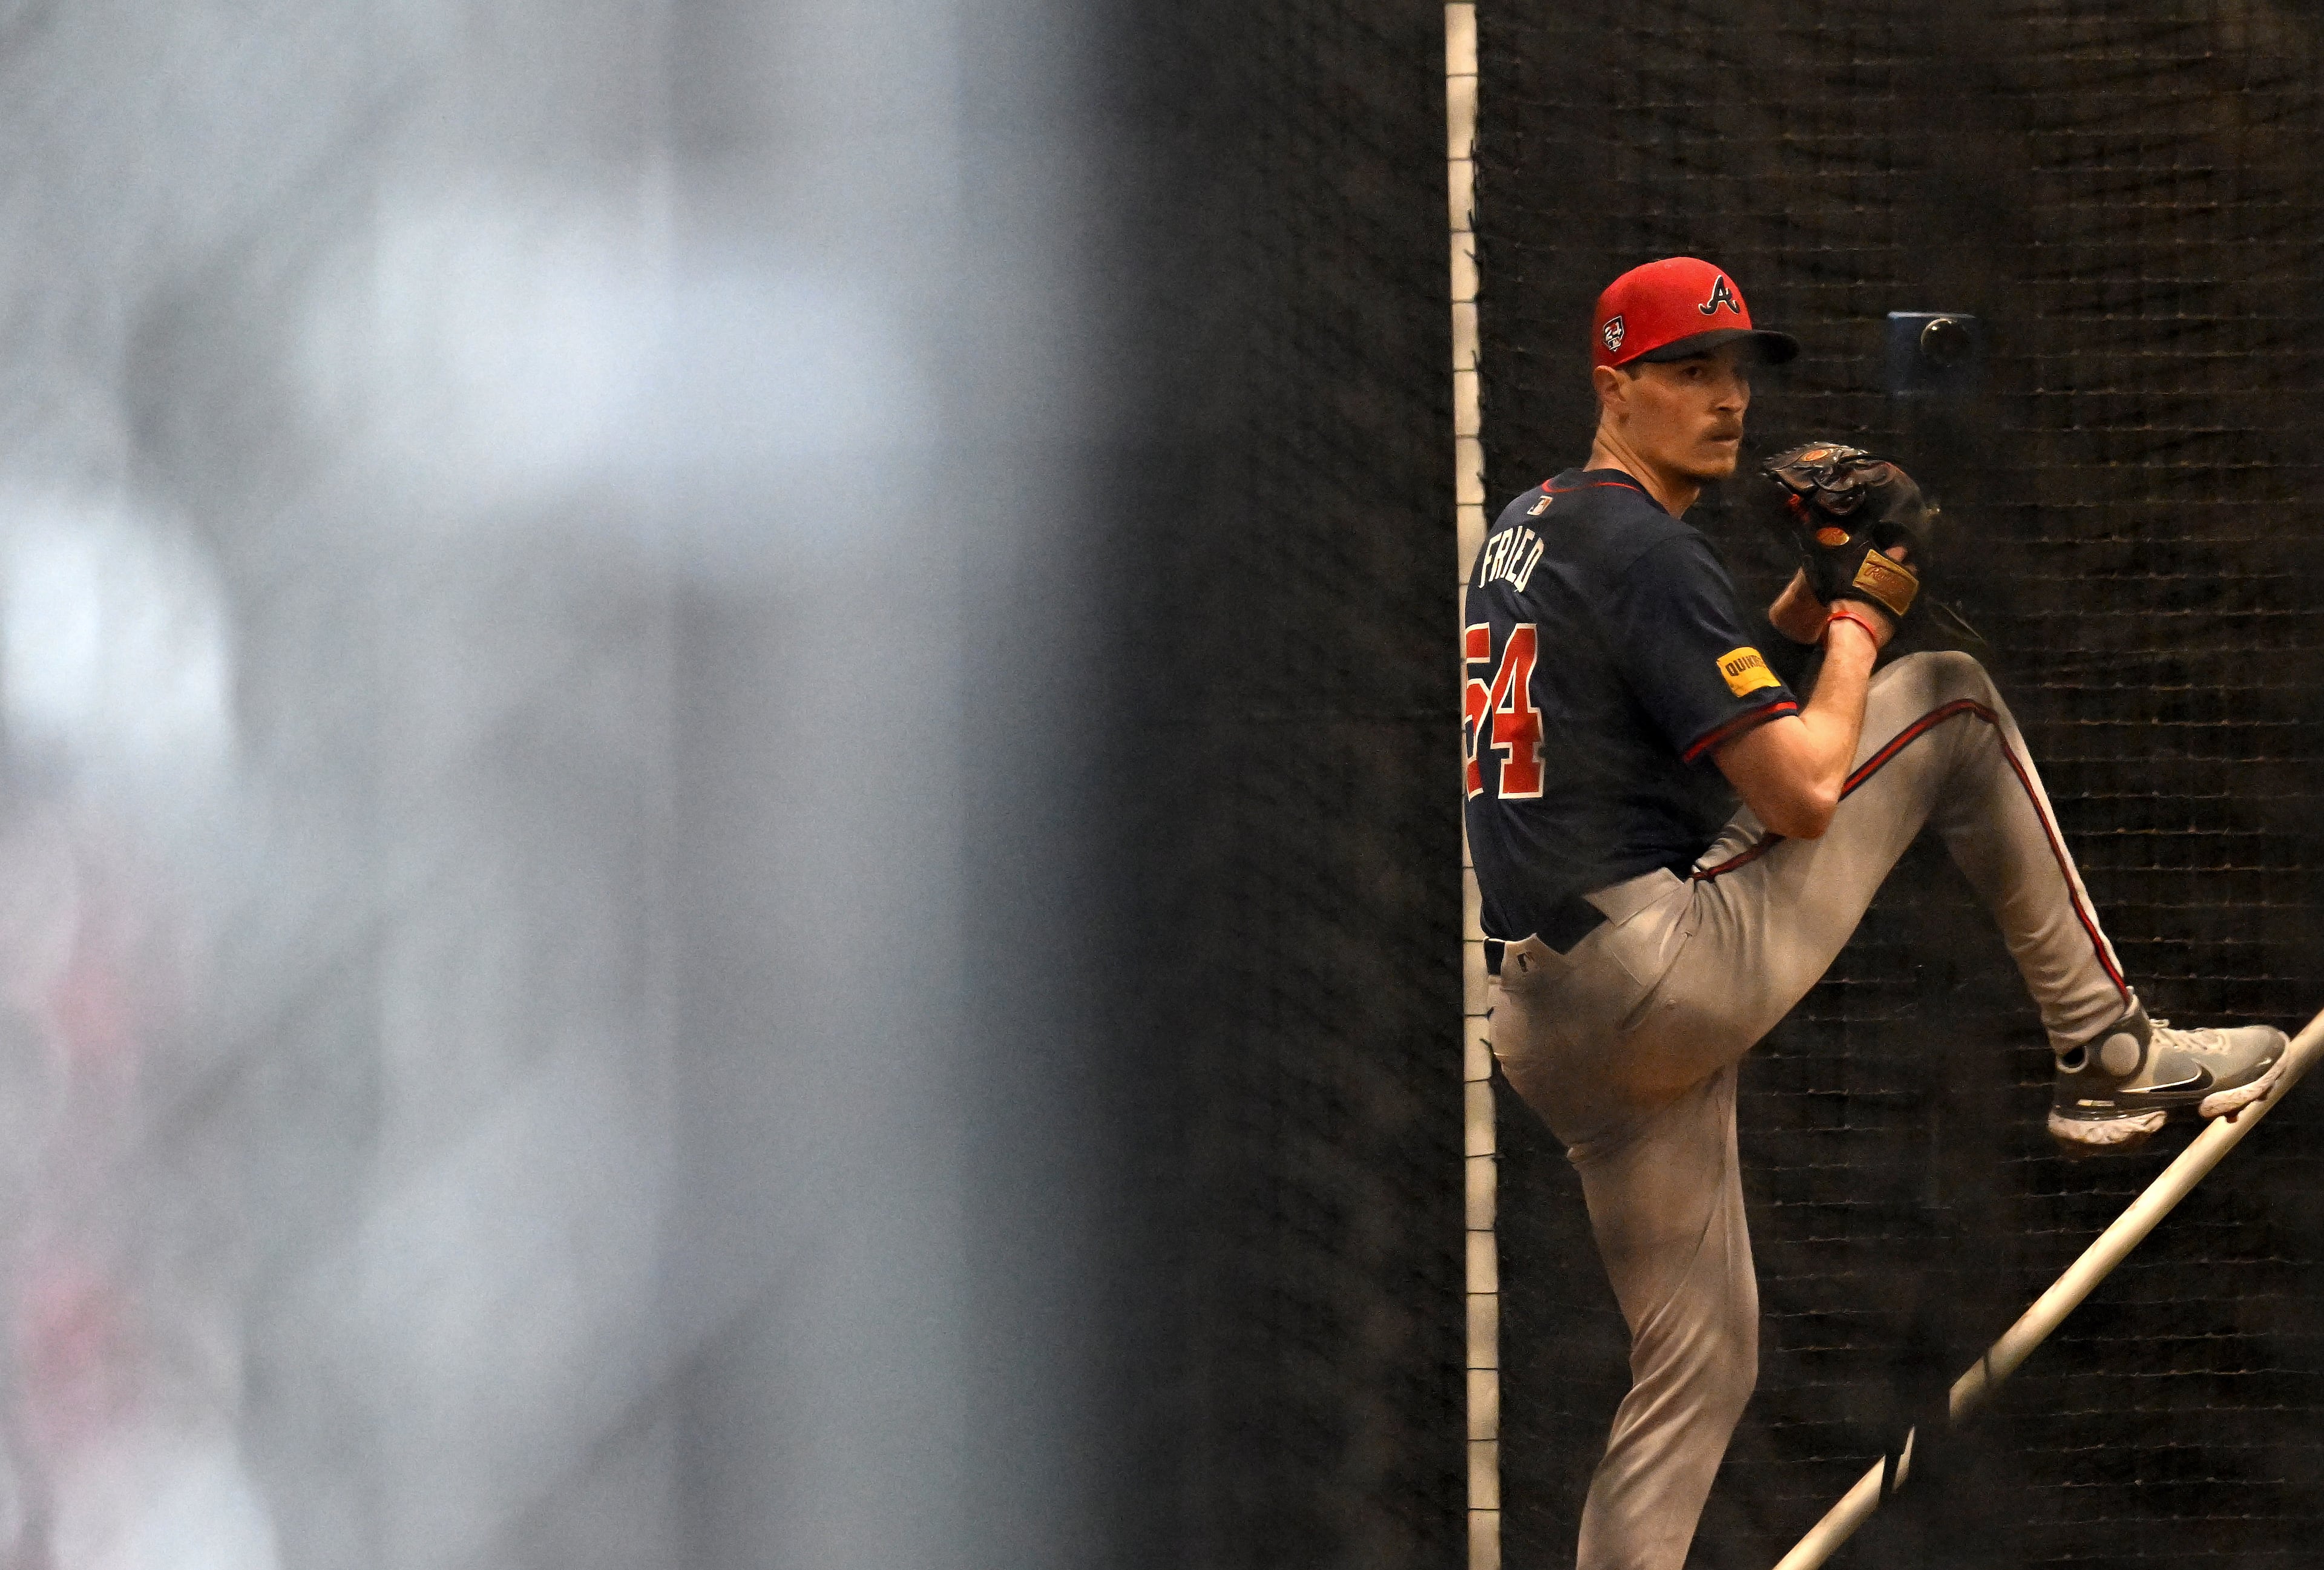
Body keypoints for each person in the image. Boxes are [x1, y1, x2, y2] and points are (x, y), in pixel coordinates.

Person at [1463, 255, 2288, 1570]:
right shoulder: (1648, 548)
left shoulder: (1541, 521)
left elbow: (1692, 703)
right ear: (1613, 385)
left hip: (1548, 1014)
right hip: (1650, 971)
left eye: (1739, 367)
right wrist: (1859, 615)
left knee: (1699, 1366)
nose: (1729, 396)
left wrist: (1809, 602)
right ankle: (2106, 1050)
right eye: (1689, 369)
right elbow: (1794, 792)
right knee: (1949, 698)